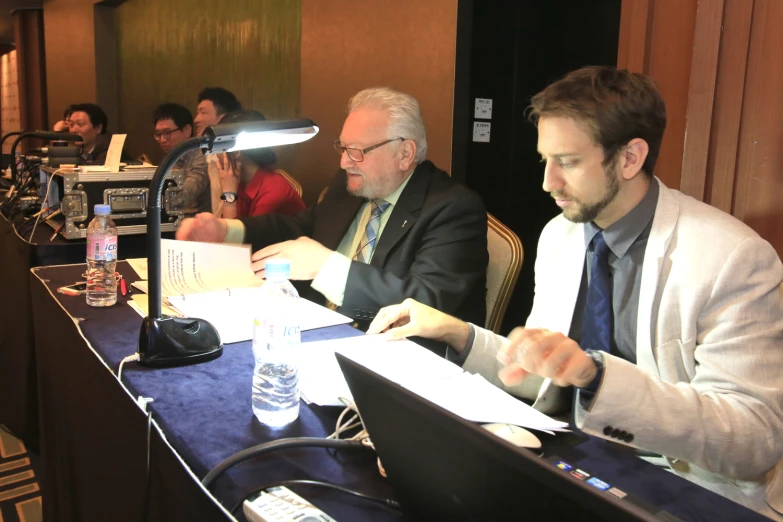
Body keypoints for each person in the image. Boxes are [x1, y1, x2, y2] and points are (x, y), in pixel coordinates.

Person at [366, 67, 783, 518]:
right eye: (545, 160)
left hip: (683, 489)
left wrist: (597, 378)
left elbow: (753, 440)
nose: (548, 182)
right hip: (574, 465)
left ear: (629, 158)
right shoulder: (561, 236)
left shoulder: (731, 257)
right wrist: (458, 333)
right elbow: (551, 367)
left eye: (567, 161)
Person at [176, 87, 488, 334]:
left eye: (357, 151)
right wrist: (227, 231)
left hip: (387, 358)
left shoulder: (453, 209)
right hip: (312, 332)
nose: (343, 162)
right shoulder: (350, 185)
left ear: (404, 153)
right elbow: (299, 226)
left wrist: (326, 267)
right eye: (342, 147)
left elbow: (426, 303)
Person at [213, 109, 305, 218]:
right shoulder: (241, 182)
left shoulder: (272, 192)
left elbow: (231, 234)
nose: (215, 155)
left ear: (236, 152)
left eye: (218, 148)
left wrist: (229, 194)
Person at [152, 103, 211, 214]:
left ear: (187, 131)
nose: (162, 140)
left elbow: (185, 195)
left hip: (198, 224)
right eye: (158, 134)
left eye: (167, 133)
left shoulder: (201, 155)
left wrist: (151, 201)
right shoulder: (170, 157)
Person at [193, 87, 242, 216]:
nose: (196, 119)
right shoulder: (210, 155)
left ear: (223, 118)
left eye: (203, 113)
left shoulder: (238, 159)